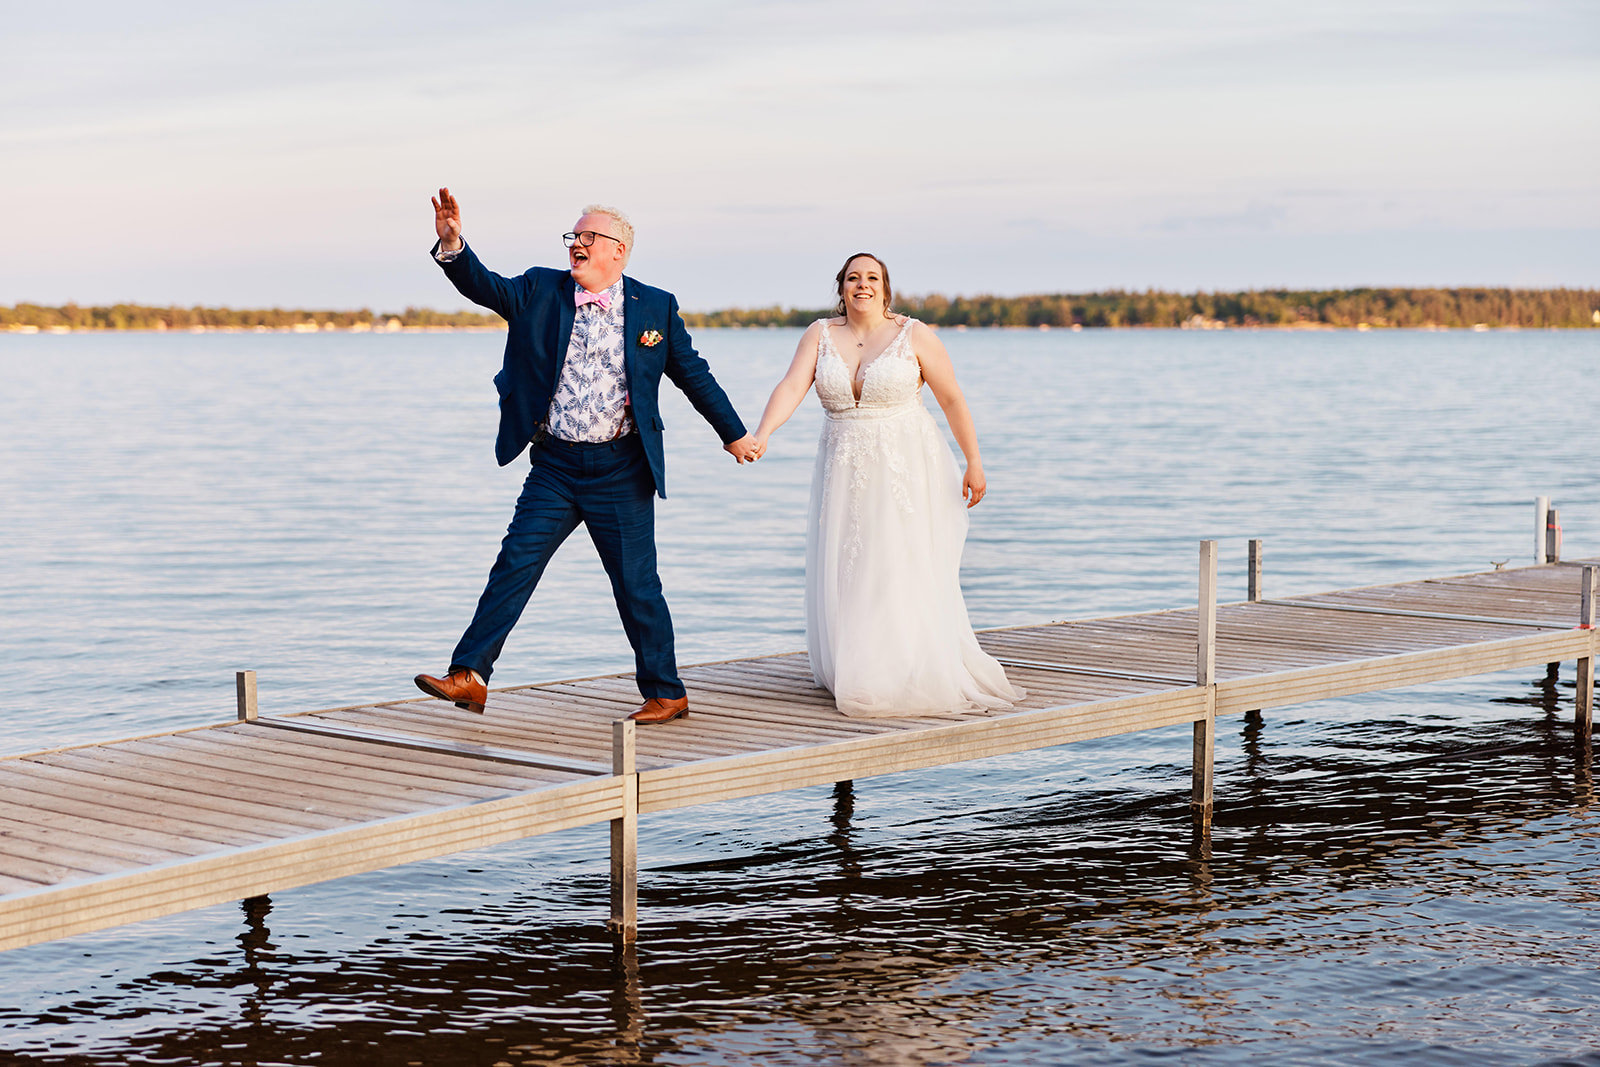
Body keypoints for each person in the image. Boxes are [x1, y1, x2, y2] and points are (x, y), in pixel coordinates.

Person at [413, 189, 759, 724]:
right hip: (554, 466)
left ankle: (667, 692)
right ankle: (470, 675)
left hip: (622, 468)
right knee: (515, 562)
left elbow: (693, 374)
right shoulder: (538, 288)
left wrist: (733, 434)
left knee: (637, 585)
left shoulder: (655, 306)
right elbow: (484, 287)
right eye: (572, 236)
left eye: (587, 237)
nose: (576, 244)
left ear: (618, 251)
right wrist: (454, 245)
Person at [749, 253, 1023, 717]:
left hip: (905, 466)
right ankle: (856, 663)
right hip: (842, 466)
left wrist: (974, 461)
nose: (863, 285)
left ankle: (904, 664)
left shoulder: (914, 335)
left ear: (886, 287)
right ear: (841, 288)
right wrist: (763, 433)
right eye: (853, 278)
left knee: (896, 559)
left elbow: (952, 398)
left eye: (871, 278)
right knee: (851, 562)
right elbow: (792, 385)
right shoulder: (819, 334)